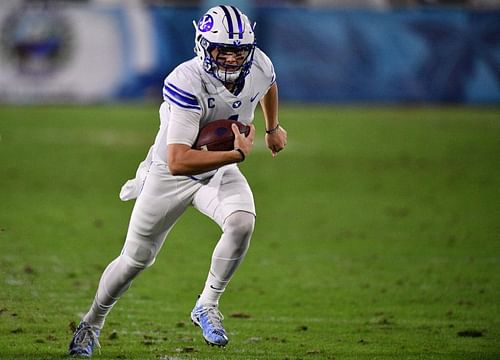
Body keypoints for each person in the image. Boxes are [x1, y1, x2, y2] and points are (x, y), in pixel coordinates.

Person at [68, 4, 287, 357]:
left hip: (217, 169)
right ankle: (91, 323)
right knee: (134, 261)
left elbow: (268, 85)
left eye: (238, 51)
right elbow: (179, 160)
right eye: (223, 50)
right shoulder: (186, 80)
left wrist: (272, 128)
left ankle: (207, 304)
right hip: (170, 176)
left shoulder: (260, 63)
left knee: (242, 222)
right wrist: (236, 154)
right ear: (203, 45)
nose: (231, 59)